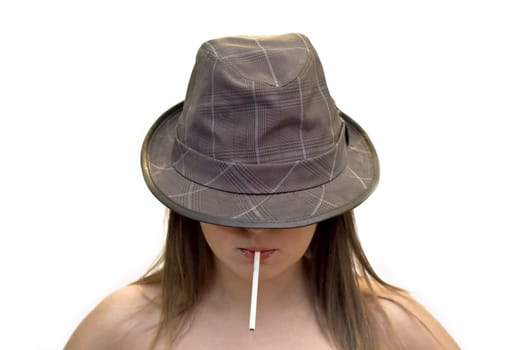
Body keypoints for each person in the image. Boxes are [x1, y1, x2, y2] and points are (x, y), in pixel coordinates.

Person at [65, 33, 460, 350]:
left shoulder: (392, 329)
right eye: (229, 203)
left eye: (285, 205)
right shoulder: (120, 330)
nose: (257, 230)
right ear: (188, 203)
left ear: (329, 208)